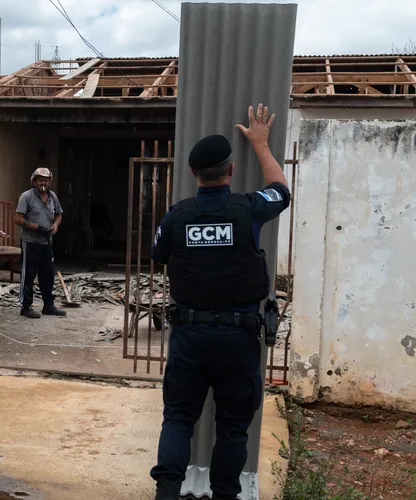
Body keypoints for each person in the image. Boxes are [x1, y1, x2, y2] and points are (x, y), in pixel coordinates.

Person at [149, 104, 292, 500]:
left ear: (193, 174)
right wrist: (261, 144)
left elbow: (158, 254)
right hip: (239, 340)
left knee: (178, 418)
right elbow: (281, 190)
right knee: (231, 426)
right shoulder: (248, 210)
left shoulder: (175, 217)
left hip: (190, 336)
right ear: (230, 171)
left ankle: (167, 492)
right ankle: (226, 494)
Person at [13, 167, 66, 319]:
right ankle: (26, 306)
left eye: (46, 180)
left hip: (46, 241)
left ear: (50, 181)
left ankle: (48, 305)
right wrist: (36, 227)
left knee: (48, 274)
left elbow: (59, 214)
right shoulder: (26, 196)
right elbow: (18, 219)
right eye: (40, 180)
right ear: (34, 181)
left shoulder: (52, 196)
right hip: (30, 241)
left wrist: (56, 225)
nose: (43, 182)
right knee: (28, 274)